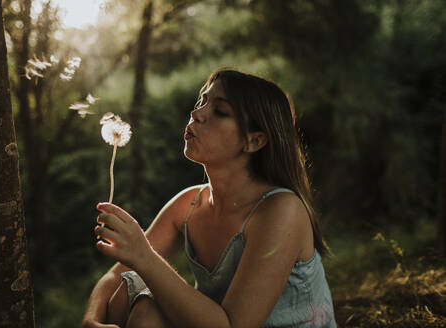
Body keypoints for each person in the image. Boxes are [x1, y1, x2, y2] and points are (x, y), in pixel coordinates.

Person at [82, 69, 336, 328]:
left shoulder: (281, 210)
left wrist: (144, 256)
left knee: (146, 298)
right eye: (202, 101)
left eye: (220, 111)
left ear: (254, 140)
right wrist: (91, 320)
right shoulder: (190, 205)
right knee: (136, 300)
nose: (197, 113)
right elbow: (116, 277)